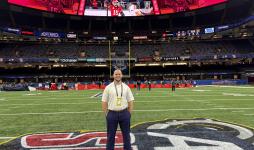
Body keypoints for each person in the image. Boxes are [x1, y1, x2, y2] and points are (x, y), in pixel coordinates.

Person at [102, 69, 134, 150]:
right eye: (116, 74)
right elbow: (104, 102)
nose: (118, 75)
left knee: (127, 136)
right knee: (110, 136)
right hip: (112, 114)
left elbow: (130, 101)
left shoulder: (126, 87)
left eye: (119, 74)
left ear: (122, 75)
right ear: (113, 75)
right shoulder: (108, 87)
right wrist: (107, 114)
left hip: (124, 113)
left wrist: (129, 114)